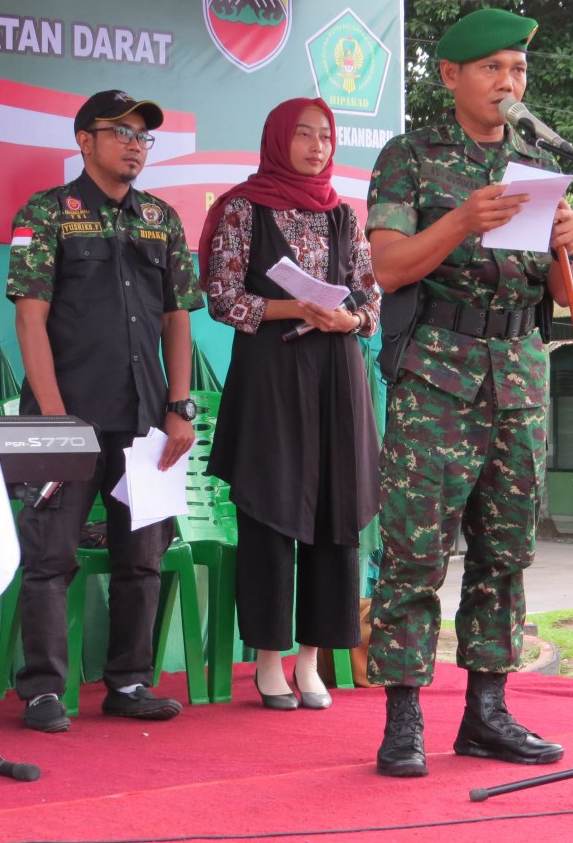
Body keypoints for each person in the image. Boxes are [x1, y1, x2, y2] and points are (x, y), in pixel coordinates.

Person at [364, 9, 573, 776]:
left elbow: (566, 295)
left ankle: (487, 714)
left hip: (518, 376)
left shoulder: (535, 163)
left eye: (518, 68)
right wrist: (461, 219)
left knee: (506, 551)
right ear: (451, 75)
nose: (508, 81)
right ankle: (403, 719)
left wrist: (566, 246)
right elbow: (388, 268)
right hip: (437, 379)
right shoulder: (410, 156)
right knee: (415, 552)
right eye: (492, 67)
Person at [6, 89, 202, 732]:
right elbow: (30, 321)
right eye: (120, 132)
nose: (134, 145)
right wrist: (56, 421)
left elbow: (178, 319)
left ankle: (129, 682)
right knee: (50, 559)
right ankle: (43, 691)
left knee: (141, 558)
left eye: (143, 136)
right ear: (84, 141)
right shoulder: (45, 213)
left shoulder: (161, 219)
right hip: (66, 420)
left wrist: (179, 406)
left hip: (144, 419)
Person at [198, 97, 381, 711]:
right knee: (271, 510)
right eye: (303, 134)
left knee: (334, 512)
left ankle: (310, 660)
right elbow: (222, 297)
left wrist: (348, 318)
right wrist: (292, 308)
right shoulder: (243, 208)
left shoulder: (344, 216)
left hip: (336, 376)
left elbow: (371, 300)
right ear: (279, 139)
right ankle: (268, 660)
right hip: (271, 376)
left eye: (325, 136)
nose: (316, 146)